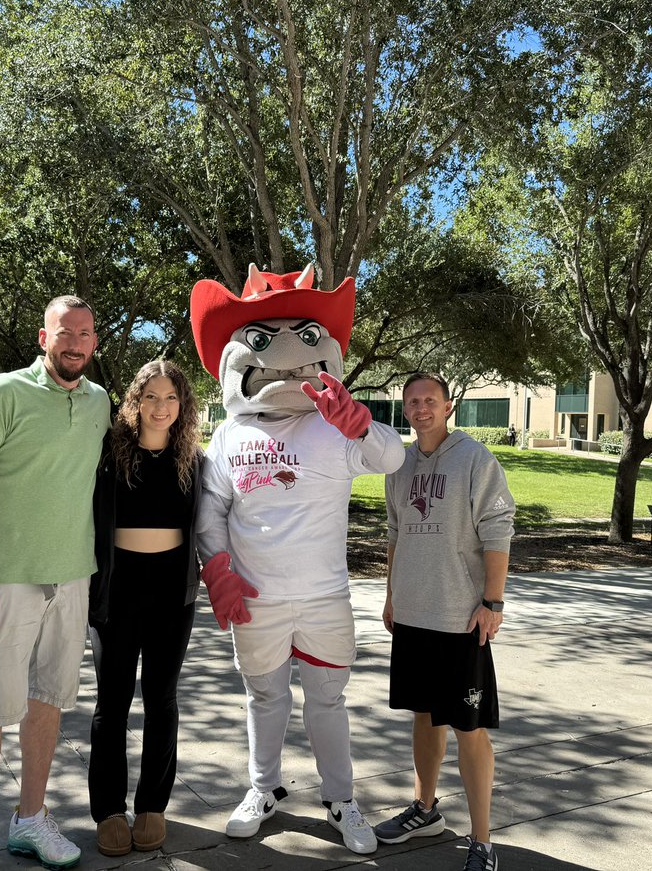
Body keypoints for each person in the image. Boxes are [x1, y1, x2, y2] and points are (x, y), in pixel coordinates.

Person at [191, 264, 404, 856]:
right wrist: (218, 570)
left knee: (328, 701)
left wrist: (362, 425)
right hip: (256, 597)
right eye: (262, 339)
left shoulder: (335, 427)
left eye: (306, 337)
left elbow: (393, 460)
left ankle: (341, 800)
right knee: (264, 698)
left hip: (324, 596)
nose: (287, 354)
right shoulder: (230, 436)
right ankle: (263, 789)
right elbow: (210, 513)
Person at [0, 295, 110, 871]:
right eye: (64, 333)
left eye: (85, 334)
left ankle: (31, 821)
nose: (75, 343)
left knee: (48, 704)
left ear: (95, 342)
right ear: (44, 338)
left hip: (72, 577)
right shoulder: (1, 394)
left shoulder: (99, 402)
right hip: (6, 580)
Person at [375, 372, 515, 871]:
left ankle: (482, 841)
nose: (421, 409)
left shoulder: (475, 459)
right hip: (412, 614)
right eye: (413, 402)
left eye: (429, 400)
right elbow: (394, 532)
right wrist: (391, 596)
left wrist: (492, 604)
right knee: (423, 717)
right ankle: (425, 808)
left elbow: (498, 530)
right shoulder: (398, 464)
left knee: (468, 728)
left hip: (461, 618)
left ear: (448, 405)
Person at [88, 360, 203, 857]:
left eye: (171, 397)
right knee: (112, 703)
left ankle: (153, 804)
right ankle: (109, 810)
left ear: (183, 405)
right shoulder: (110, 455)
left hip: (172, 592)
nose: (161, 407)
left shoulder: (194, 459)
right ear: (135, 401)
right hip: (118, 588)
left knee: (162, 700)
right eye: (151, 396)